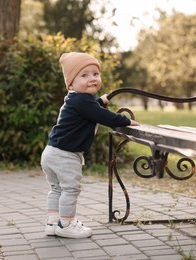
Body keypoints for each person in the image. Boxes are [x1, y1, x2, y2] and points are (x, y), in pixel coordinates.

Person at [41, 52, 140, 239]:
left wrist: (100, 101)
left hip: (51, 152)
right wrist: (125, 121)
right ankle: (66, 224)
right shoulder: (83, 101)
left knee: (57, 189)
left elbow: (92, 108)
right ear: (71, 83)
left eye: (95, 74)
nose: (92, 78)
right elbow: (103, 116)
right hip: (65, 156)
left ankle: (53, 222)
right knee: (70, 189)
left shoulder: (75, 99)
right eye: (84, 75)